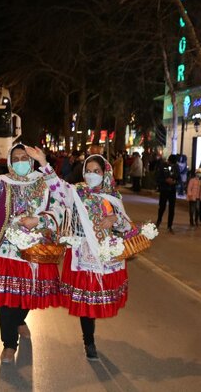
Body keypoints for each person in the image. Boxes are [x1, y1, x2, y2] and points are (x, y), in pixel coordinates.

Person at [29, 149, 134, 361]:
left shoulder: (113, 196)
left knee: (98, 299)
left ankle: (90, 338)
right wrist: (43, 162)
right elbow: (57, 187)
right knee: (86, 303)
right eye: (88, 170)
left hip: (106, 255)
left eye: (96, 170)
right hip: (84, 255)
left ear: (105, 173)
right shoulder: (76, 192)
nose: (92, 174)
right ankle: (89, 341)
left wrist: (115, 219)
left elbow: (126, 225)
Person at [0, 142, 61, 364]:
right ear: (11, 162)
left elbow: (61, 202)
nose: (20, 161)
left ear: (31, 161)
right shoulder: (3, 181)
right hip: (5, 249)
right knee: (6, 298)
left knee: (28, 294)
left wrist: (39, 220)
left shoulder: (42, 182)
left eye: (24, 158)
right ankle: (9, 344)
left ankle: (20, 320)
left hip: (34, 249)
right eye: (16, 158)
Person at [155, 154, 180, 233]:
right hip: (164, 189)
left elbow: (179, 179)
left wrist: (174, 182)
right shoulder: (163, 166)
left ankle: (170, 226)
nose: (172, 165)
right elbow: (158, 177)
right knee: (162, 207)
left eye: (173, 163)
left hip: (172, 190)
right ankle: (158, 222)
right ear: (168, 161)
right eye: (171, 163)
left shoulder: (176, 167)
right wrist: (165, 180)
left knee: (172, 209)